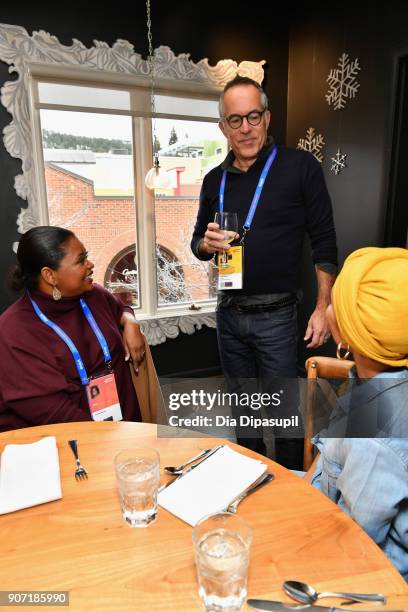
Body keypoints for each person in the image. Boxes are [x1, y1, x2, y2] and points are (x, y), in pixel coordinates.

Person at [191, 75, 338, 467]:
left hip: (277, 317)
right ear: (223, 126)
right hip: (228, 314)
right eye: (235, 120)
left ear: (267, 118)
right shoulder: (213, 181)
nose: (245, 128)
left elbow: (324, 241)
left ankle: (290, 485)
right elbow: (197, 245)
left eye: (253, 116)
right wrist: (206, 244)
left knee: (284, 417)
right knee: (245, 413)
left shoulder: (300, 167)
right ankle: (247, 476)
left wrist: (323, 306)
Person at [306, 246, 408, 580]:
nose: (329, 310)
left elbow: (352, 542)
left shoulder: (375, 432)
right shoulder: (378, 382)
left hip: (368, 577)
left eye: (338, 304)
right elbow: (329, 465)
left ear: (352, 336)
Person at [0, 226, 145, 431]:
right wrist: (109, 438)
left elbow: (120, 307)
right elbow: (52, 412)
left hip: (124, 429)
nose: (90, 264)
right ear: (50, 276)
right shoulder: (14, 332)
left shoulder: (94, 295)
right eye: (81, 260)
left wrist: (130, 322)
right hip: (76, 441)